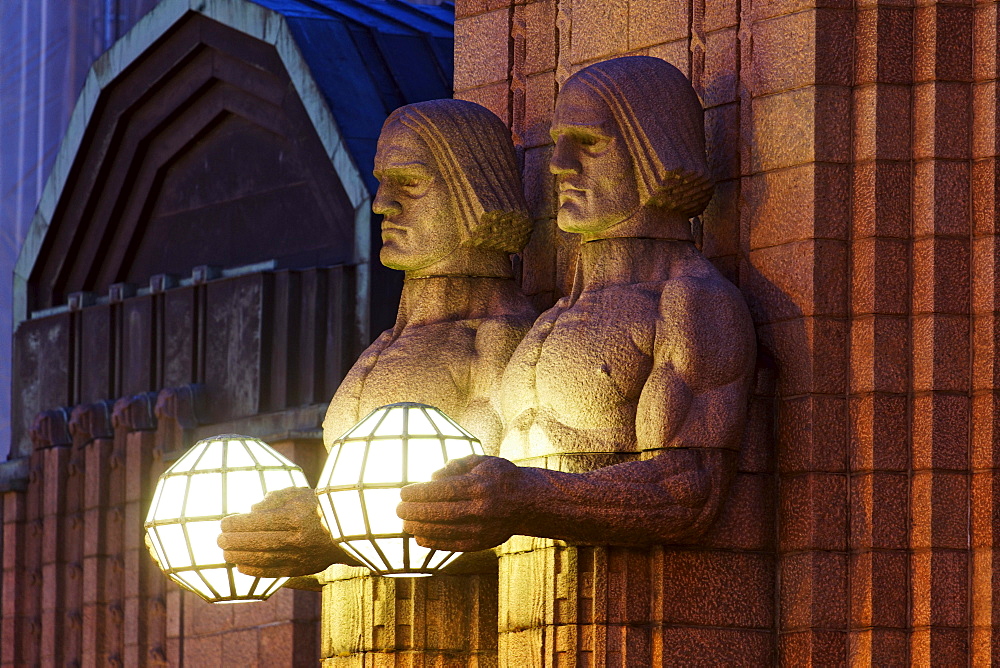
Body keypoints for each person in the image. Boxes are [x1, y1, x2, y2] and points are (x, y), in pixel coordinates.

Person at [397, 56, 756, 553]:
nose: (559, 163)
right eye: (560, 143)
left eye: (589, 143)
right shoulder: (549, 318)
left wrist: (528, 497)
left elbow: (687, 490)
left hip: (636, 614)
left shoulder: (693, 301)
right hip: (521, 610)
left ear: (657, 150)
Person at [217, 98, 537, 578]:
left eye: (409, 182)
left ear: (474, 191)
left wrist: (325, 532)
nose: (382, 202)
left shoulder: (499, 337)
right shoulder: (386, 345)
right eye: (383, 181)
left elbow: (487, 513)